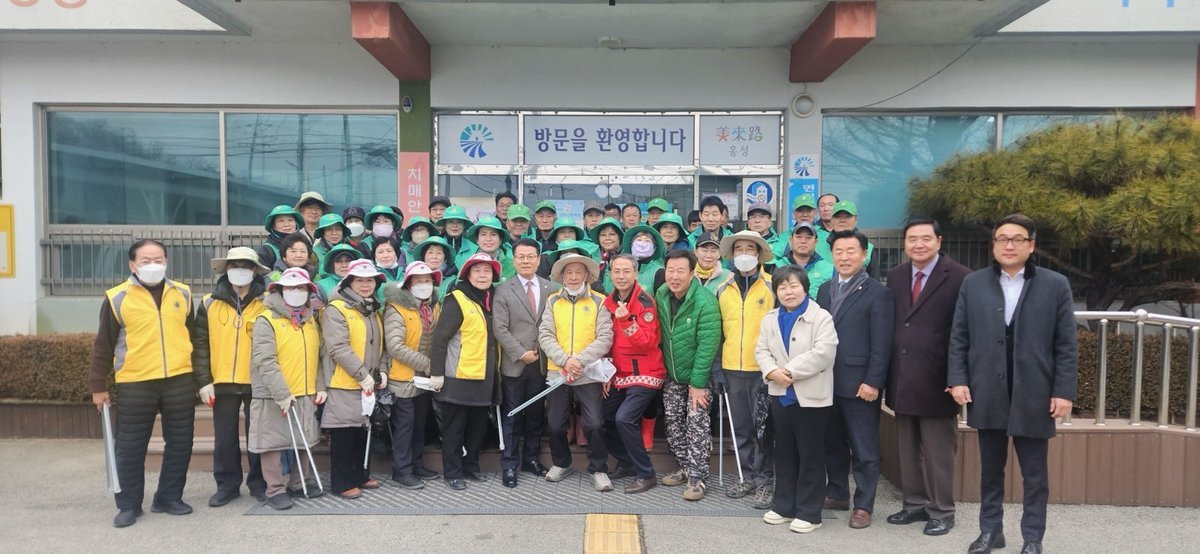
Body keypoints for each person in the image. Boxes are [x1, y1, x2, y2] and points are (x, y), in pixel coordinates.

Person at [948, 214, 1077, 554]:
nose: (1009, 245)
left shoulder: (1055, 285)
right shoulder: (974, 283)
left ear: (1031, 245)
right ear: (993, 244)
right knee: (990, 470)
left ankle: (1033, 537)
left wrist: (1063, 391)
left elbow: (1066, 344)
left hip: (1034, 392)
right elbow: (959, 336)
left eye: (1017, 239)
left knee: (1034, 474)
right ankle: (990, 531)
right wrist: (958, 379)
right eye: (1002, 239)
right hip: (988, 389)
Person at [89, 239, 197, 528]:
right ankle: (128, 505)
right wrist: (98, 386)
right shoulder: (117, 298)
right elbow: (103, 345)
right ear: (132, 265)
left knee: (180, 443)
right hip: (136, 381)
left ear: (167, 262)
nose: (153, 265)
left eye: (158, 260)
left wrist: (200, 379)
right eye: (146, 261)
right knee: (130, 447)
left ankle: (169, 497)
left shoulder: (183, 293)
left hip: (179, 379)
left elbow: (193, 337)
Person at [884, 217, 971, 537]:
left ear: (938, 241)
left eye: (925, 238)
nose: (918, 244)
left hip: (939, 377)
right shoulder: (896, 275)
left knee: (939, 451)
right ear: (905, 243)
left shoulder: (960, 276)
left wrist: (959, 377)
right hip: (902, 376)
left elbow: (966, 331)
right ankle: (914, 503)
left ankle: (942, 510)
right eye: (912, 239)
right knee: (908, 448)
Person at [815, 229, 895, 529]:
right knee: (832, 442)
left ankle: (864, 505)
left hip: (860, 383)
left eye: (851, 251)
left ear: (864, 255)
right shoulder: (825, 289)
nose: (845, 257)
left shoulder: (878, 293)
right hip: (827, 380)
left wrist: (874, 381)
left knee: (864, 448)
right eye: (839, 251)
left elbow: (882, 342)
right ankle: (837, 493)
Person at [755, 265, 838, 535]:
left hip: (812, 397)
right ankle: (784, 506)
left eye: (793, 285)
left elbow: (824, 352)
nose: (788, 291)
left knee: (810, 454)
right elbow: (761, 350)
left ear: (805, 288)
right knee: (784, 452)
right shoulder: (770, 318)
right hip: (780, 395)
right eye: (782, 287)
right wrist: (771, 372)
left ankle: (809, 512)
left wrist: (789, 371)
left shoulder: (821, 317)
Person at [193, 247, 270, 507]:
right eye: (234, 265)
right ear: (225, 269)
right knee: (224, 439)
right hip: (222, 380)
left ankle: (260, 483)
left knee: (258, 436)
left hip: (258, 381)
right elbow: (200, 344)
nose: (240, 270)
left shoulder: (268, 302)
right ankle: (227, 485)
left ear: (255, 271)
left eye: (246, 266)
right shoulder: (209, 302)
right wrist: (204, 380)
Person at [248, 267, 324, 510]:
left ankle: (299, 482)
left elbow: (318, 356)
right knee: (271, 442)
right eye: (290, 288)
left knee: (304, 439)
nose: (296, 292)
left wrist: (319, 385)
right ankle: (274, 489)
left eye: (301, 288)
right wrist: (281, 393)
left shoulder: (310, 320)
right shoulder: (266, 319)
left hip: (305, 389)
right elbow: (265, 360)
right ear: (280, 291)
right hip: (274, 392)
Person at [538, 253, 615, 490]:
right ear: (561, 276)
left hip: (588, 373)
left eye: (578, 272)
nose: (573, 277)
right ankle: (561, 463)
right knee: (555, 424)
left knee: (594, 424)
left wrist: (578, 361)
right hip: (558, 373)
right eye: (568, 272)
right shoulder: (552, 301)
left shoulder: (599, 301)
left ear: (586, 275)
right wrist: (564, 361)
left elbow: (605, 337)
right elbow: (545, 335)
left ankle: (598, 468)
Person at [428, 253, 503, 491]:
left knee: (477, 428)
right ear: (467, 275)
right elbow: (440, 339)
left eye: (487, 271)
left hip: (484, 378)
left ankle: (471, 466)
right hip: (458, 378)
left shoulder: (492, 299)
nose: (482, 275)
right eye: (477, 271)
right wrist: (437, 373)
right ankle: (453, 472)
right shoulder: (457, 299)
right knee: (454, 429)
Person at [713, 230, 777, 509]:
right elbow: (717, 333)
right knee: (740, 428)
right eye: (738, 249)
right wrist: (717, 369)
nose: (743, 254)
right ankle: (746, 476)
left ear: (759, 254)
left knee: (763, 429)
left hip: (762, 371)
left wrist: (772, 369)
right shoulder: (723, 289)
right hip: (731, 369)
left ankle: (765, 482)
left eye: (749, 248)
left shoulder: (773, 286)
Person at [655, 249, 721, 501]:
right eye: (670, 270)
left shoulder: (705, 302)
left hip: (698, 378)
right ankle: (683, 466)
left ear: (692, 273)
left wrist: (698, 383)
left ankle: (697, 477)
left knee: (696, 424)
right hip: (672, 374)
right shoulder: (662, 295)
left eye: (680, 271)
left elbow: (708, 346)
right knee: (672, 422)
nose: (674, 276)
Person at [492, 239, 558, 488]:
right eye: (521, 257)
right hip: (515, 363)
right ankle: (509, 465)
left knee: (535, 415)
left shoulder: (552, 287)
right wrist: (521, 353)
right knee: (512, 415)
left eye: (531, 256)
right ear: (514, 260)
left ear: (539, 260)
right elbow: (500, 328)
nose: (526, 261)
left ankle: (531, 458)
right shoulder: (503, 289)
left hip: (542, 363)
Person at [321, 259, 387, 499]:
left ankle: (360, 475)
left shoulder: (372, 309)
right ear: (349, 282)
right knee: (344, 434)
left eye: (370, 280)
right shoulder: (336, 309)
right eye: (359, 280)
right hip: (344, 382)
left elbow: (380, 346)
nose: (365, 285)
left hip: (366, 383)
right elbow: (338, 347)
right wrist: (362, 375)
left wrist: (381, 371)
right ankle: (342, 482)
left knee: (361, 431)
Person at [601, 254, 667, 494]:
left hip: (646, 371)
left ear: (636, 274)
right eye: (616, 271)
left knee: (624, 418)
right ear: (610, 274)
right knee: (603, 417)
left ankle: (646, 473)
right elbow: (608, 341)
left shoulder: (644, 302)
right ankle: (626, 461)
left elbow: (647, 342)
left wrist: (627, 321)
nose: (621, 276)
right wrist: (607, 373)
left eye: (626, 271)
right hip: (619, 373)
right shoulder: (609, 301)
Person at [382, 261, 444, 489]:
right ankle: (402, 470)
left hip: (424, 379)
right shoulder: (396, 308)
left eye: (427, 281)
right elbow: (395, 346)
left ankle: (417, 464)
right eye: (418, 281)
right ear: (408, 284)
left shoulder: (433, 306)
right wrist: (428, 365)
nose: (423, 285)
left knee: (419, 425)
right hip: (403, 378)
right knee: (405, 427)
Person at [777, 222, 834, 299]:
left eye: (808, 237)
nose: (803, 241)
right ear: (791, 240)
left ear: (816, 242)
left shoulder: (829, 269)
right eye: (798, 237)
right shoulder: (778, 266)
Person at [455, 215, 517, 281]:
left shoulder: (512, 265)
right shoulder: (468, 264)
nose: (488, 239)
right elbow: (460, 286)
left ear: (500, 239)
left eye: (493, 234)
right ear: (477, 240)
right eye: (483, 234)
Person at [826, 200, 878, 276]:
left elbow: (874, 279)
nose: (842, 220)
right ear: (832, 220)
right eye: (838, 217)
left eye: (847, 217)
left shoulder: (868, 248)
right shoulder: (817, 244)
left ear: (856, 220)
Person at [619, 224, 667, 294]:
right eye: (639, 240)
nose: (642, 244)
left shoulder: (659, 271)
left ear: (654, 248)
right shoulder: (623, 268)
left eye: (647, 241)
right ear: (631, 245)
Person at [258, 205, 304, 271]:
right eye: (281, 221)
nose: (286, 224)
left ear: (296, 223)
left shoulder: (304, 243)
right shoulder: (266, 250)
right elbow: (263, 274)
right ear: (273, 226)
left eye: (290, 220)